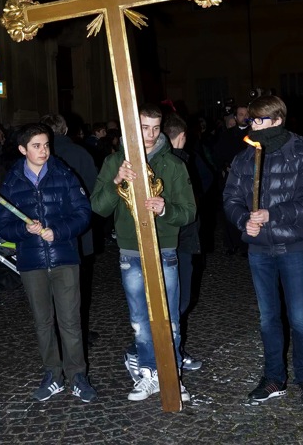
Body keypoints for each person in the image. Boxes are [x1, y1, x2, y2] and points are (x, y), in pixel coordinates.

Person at [90, 103, 196, 402]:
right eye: (143, 127)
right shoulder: (114, 162)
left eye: (154, 127)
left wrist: (166, 209)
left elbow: (189, 211)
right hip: (130, 250)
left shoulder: (173, 165)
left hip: (164, 249)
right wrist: (117, 181)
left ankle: (172, 377)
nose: (149, 134)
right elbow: (98, 207)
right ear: (130, 129)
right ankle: (148, 373)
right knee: (140, 319)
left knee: (170, 319)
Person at [223, 95, 303, 407]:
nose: (253, 125)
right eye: (251, 120)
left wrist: (272, 214)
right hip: (259, 251)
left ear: (277, 120)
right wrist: (244, 221)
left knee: (299, 317)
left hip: (292, 247)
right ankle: (273, 378)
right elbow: (231, 198)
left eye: (259, 120)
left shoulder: (300, 155)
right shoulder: (245, 157)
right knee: (268, 318)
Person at [0, 123, 97, 403]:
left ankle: (77, 376)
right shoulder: (12, 181)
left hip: (64, 258)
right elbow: (3, 225)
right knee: (42, 322)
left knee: (70, 321)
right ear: (22, 150)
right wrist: (23, 231)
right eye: (37, 146)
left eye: (46, 145)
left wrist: (59, 230)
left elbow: (83, 213)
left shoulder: (63, 174)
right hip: (32, 262)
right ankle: (52, 374)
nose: (43, 151)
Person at [39, 113, 100, 352]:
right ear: (64, 130)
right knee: (77, 286)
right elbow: (94, 189)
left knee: (50, 284)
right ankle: (76, 332)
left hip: (46, 231)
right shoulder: (80, 153)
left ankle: (56, 331)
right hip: (77, 230)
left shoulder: (40, 156)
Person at [163, 112, 213, 370]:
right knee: (177, 300)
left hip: (177, 239)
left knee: (176, 300)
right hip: (178, 240)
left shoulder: (172, 160)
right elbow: (205, 182)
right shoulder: (181, 162)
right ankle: (158, 351)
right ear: (182, 137)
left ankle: (174, 350)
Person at [214, 104, 250, 256]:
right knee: (230, 208)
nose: (244, 117)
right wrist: (224, 167)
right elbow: (218, 154)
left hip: (248, 179)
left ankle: (245, 244)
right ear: (235, 117)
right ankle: (231, 243)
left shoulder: (254, 134)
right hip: (230, 177)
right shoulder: (227, 135)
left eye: (246, 114)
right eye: (240, 114)